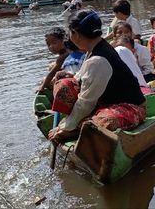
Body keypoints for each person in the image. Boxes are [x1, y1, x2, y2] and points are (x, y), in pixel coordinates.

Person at [48, 10, 146, 143]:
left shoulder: (98, 58)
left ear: (75, 34)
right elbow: (81, 78)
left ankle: (76, 128)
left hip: (130, 107)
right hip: (104, 102)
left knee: (103, 122)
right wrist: (70, 76)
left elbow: (85, 102)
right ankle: (78, 125)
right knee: (64, 85)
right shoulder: (94, 49)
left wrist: (65, 127)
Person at [38, 27, 70, 92]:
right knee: (52, 65)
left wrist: (42, 87)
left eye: (54, 43)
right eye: (48, 44)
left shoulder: (63, 56)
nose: (51, 47)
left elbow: (51, 73)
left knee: (44, 81)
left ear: (64, 40)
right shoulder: (68, 50)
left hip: (69, 80)